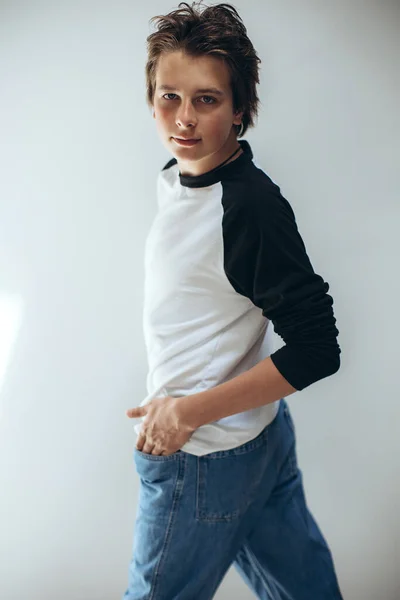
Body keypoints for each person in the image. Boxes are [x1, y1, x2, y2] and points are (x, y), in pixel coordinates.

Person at [122, 2, 344, 598]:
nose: (184, 119)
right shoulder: (177, 172)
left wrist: (186, 412)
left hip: (204, 460)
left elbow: (319, 348)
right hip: (259, 439)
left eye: (207, 99)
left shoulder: (248, 208)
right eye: (169, 96)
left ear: (241, 108)